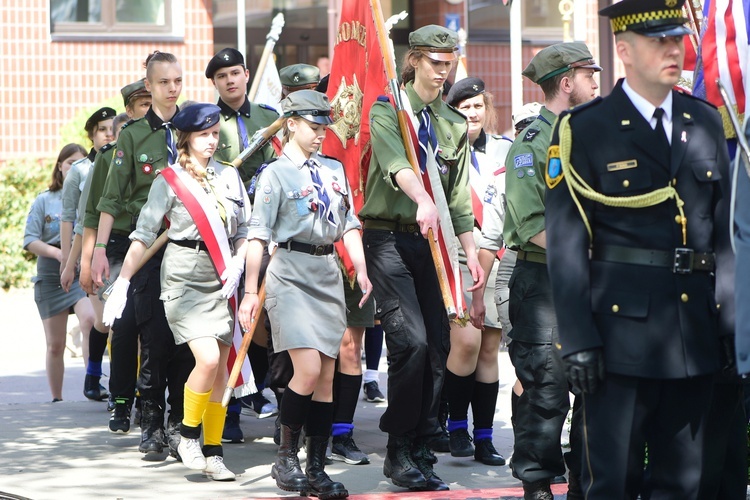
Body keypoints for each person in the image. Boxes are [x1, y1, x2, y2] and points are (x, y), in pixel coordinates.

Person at [544, 1, 733, 497]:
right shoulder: (585, 128)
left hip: (692, 335)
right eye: (659, 41)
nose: (674, 50)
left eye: (677, 39)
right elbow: (567, 246)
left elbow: (727, 235)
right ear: (624, 51)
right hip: (618, 336)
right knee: (613, 481)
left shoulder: (705, 121)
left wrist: (733, 323)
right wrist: (578, 339)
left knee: (684, 483)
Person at [358, 24, 483, 492]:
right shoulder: (390, 108)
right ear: (413, 61)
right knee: (409, 341)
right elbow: (397, 166)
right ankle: (396, 449)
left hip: (433, 241)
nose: (442, 71)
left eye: (449, 63)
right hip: (388, 237)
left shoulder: (451, 122)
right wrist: (420, 197)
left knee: (438, 347)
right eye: (434, 62)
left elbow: (458, 198)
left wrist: (469, 252)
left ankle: (420, 443)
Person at [103, 103, 248, 482]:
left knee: (221, 371)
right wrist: (123, 281)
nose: (212, 141)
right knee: (208, 359)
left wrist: (238, 262)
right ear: (186, 138)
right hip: (183, 277)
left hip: (221, 276)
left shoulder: (230, 177)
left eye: (216, 134)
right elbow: (144, 234)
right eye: (204, 135)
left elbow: (247, 229)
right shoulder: (168, 180)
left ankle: (213, 452)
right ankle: (187, 436)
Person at [239, 89, 370, 499]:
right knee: (308, 369)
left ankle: (316, 468)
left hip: (327, 273)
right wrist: (248, 293)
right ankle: (285, 457)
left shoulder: (332, 170)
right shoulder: (275, 174)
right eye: (313, 128)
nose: (319, 135)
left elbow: (347, 223)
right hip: (290, 274)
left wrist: (361, 269)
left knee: (327, 378)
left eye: (323, 128)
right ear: (291, 124)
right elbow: (258, 236)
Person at [501, 41, 601, 500]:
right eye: (587, 74)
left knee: (596, 386)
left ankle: (585, 481)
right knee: (547, 388)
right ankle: (538, 483)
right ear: (565, 82)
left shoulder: (595, 136)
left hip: (593, 278)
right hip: (545, 282)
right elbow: (531, 223)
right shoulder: (531, 145)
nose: (595, 82)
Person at [94, 51, 194, 458]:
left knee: (186, 340)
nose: (173, 89)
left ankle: (178, 424)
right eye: (164, 82)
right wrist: (99, 250)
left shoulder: (194, 127)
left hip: (188, 249)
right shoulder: (133, 136)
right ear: (148, 87)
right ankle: (150, 424)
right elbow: (111, 199)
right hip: (149, 249)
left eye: (178, 81)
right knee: (153, 339)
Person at [205, 46, 281, 444]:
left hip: (268, 227)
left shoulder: (270, 118)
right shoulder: (208, 121)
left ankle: (270, 389)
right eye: (222, 76)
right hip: (227, 230)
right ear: (214, 83)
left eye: (235, 73)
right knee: (230, 319)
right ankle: (229, 410)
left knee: (269, 313)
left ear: (247, 74)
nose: (230, 81)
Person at [442, 77, 512, 466]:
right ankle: (455, 426)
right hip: (457, 256)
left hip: (495, 258)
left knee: (489, 348)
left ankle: (484, 436)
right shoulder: (442, 151)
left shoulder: (505, 150)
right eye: (464, 107)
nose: (472, 113)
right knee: (465, 342)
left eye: (477, 107)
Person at [81, 79, 152, 432]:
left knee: (156, 326)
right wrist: (86, 260)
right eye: (141, 105)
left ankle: (151, 401)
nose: (148, 110)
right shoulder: (109, 157)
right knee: (123, 322)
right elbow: (92, 213)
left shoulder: (173, 144)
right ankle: (121, 400)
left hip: (157, 240)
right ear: (130, 110)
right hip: (120, 244)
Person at [23, 143, 95, 402]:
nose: (76, 168)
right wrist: (59, 255)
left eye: (81, 163)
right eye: (70, 163)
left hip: (80, 272)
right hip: (52, 274)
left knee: (89, 320)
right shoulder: (45, 199)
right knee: (55, 344)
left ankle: (93, 385)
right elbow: (30, 239)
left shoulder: (91, 196)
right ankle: (57, 399)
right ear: (60, 167)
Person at [60, 107, 115, 402]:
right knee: (104, 321)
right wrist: (69, 262)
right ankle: (93, 375)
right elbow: (71, 218)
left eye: (112, 128)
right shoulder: (81, 170)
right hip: (88, 250)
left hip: (116, 250)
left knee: (119, 322)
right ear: (91, 135)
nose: (109, 134)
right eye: (102, 129)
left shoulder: (121, 162)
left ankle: (120, 384)